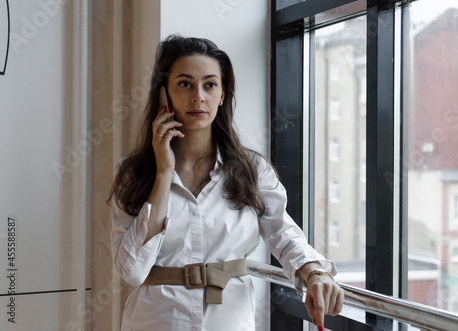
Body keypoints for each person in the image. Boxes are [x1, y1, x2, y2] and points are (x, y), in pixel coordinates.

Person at [108, 35, 344, 331]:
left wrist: (315, 273)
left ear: (222, 94)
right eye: (184, 84)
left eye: (209, 84)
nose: (198, 97)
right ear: (163, 93)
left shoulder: (252, 170)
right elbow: (131, 270)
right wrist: (163, 174)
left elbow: (283, 234)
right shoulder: (133, 173)